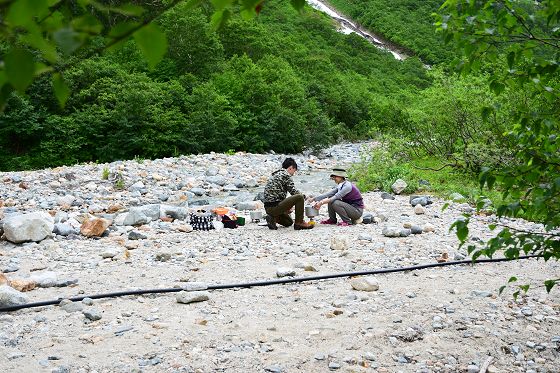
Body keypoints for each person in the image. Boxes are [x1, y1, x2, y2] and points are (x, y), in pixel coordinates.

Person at [263, 158, 314, 230]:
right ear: (290, 168)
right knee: (299, 197)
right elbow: (294, 192)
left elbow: (276, 195)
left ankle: (272, 218)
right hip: (274, 207)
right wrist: (306, 197)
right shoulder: (286, 175)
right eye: (294, 171)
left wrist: (286, 207)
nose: (293, 174)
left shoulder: (276, 174)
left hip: (268, 208)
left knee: (289, 222)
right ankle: (299, 222)